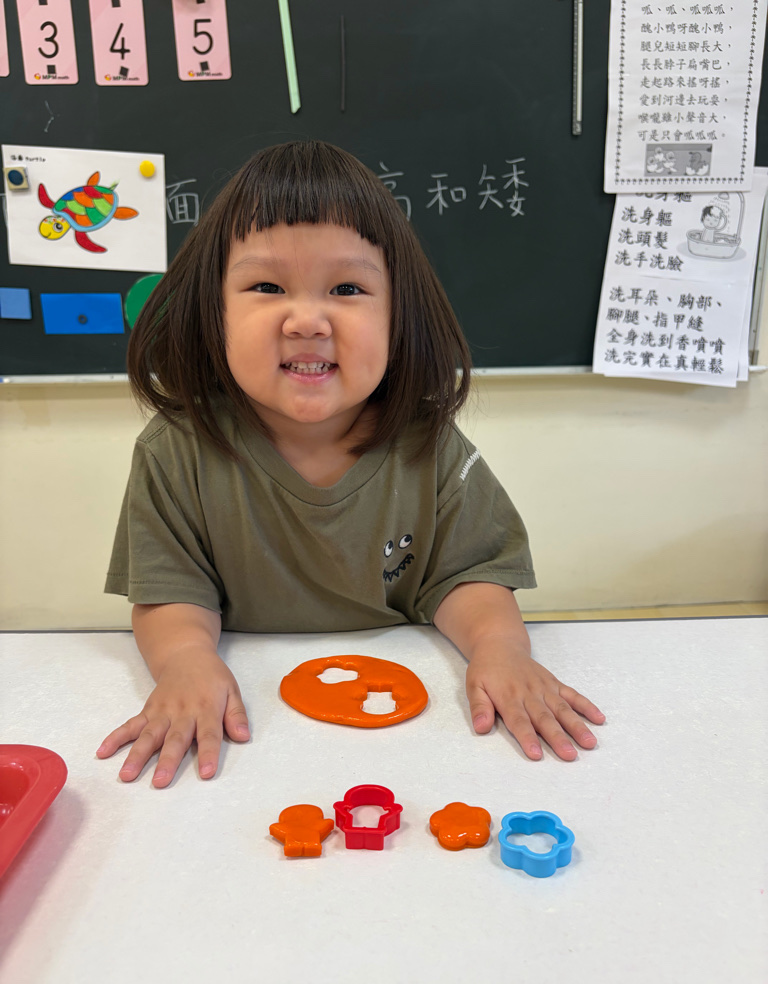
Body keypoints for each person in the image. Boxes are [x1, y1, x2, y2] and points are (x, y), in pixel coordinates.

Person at [99, 140, 604, 788]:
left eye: (347, 288)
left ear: (399, 316)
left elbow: (469, 576)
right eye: (266, 286)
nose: (307, 320)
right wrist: (184, 663)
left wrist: (500, 648)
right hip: (254, 740)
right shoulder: (175, 451)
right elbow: (171, 593)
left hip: (416, 736)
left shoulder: (430, 446)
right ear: (213, 312)